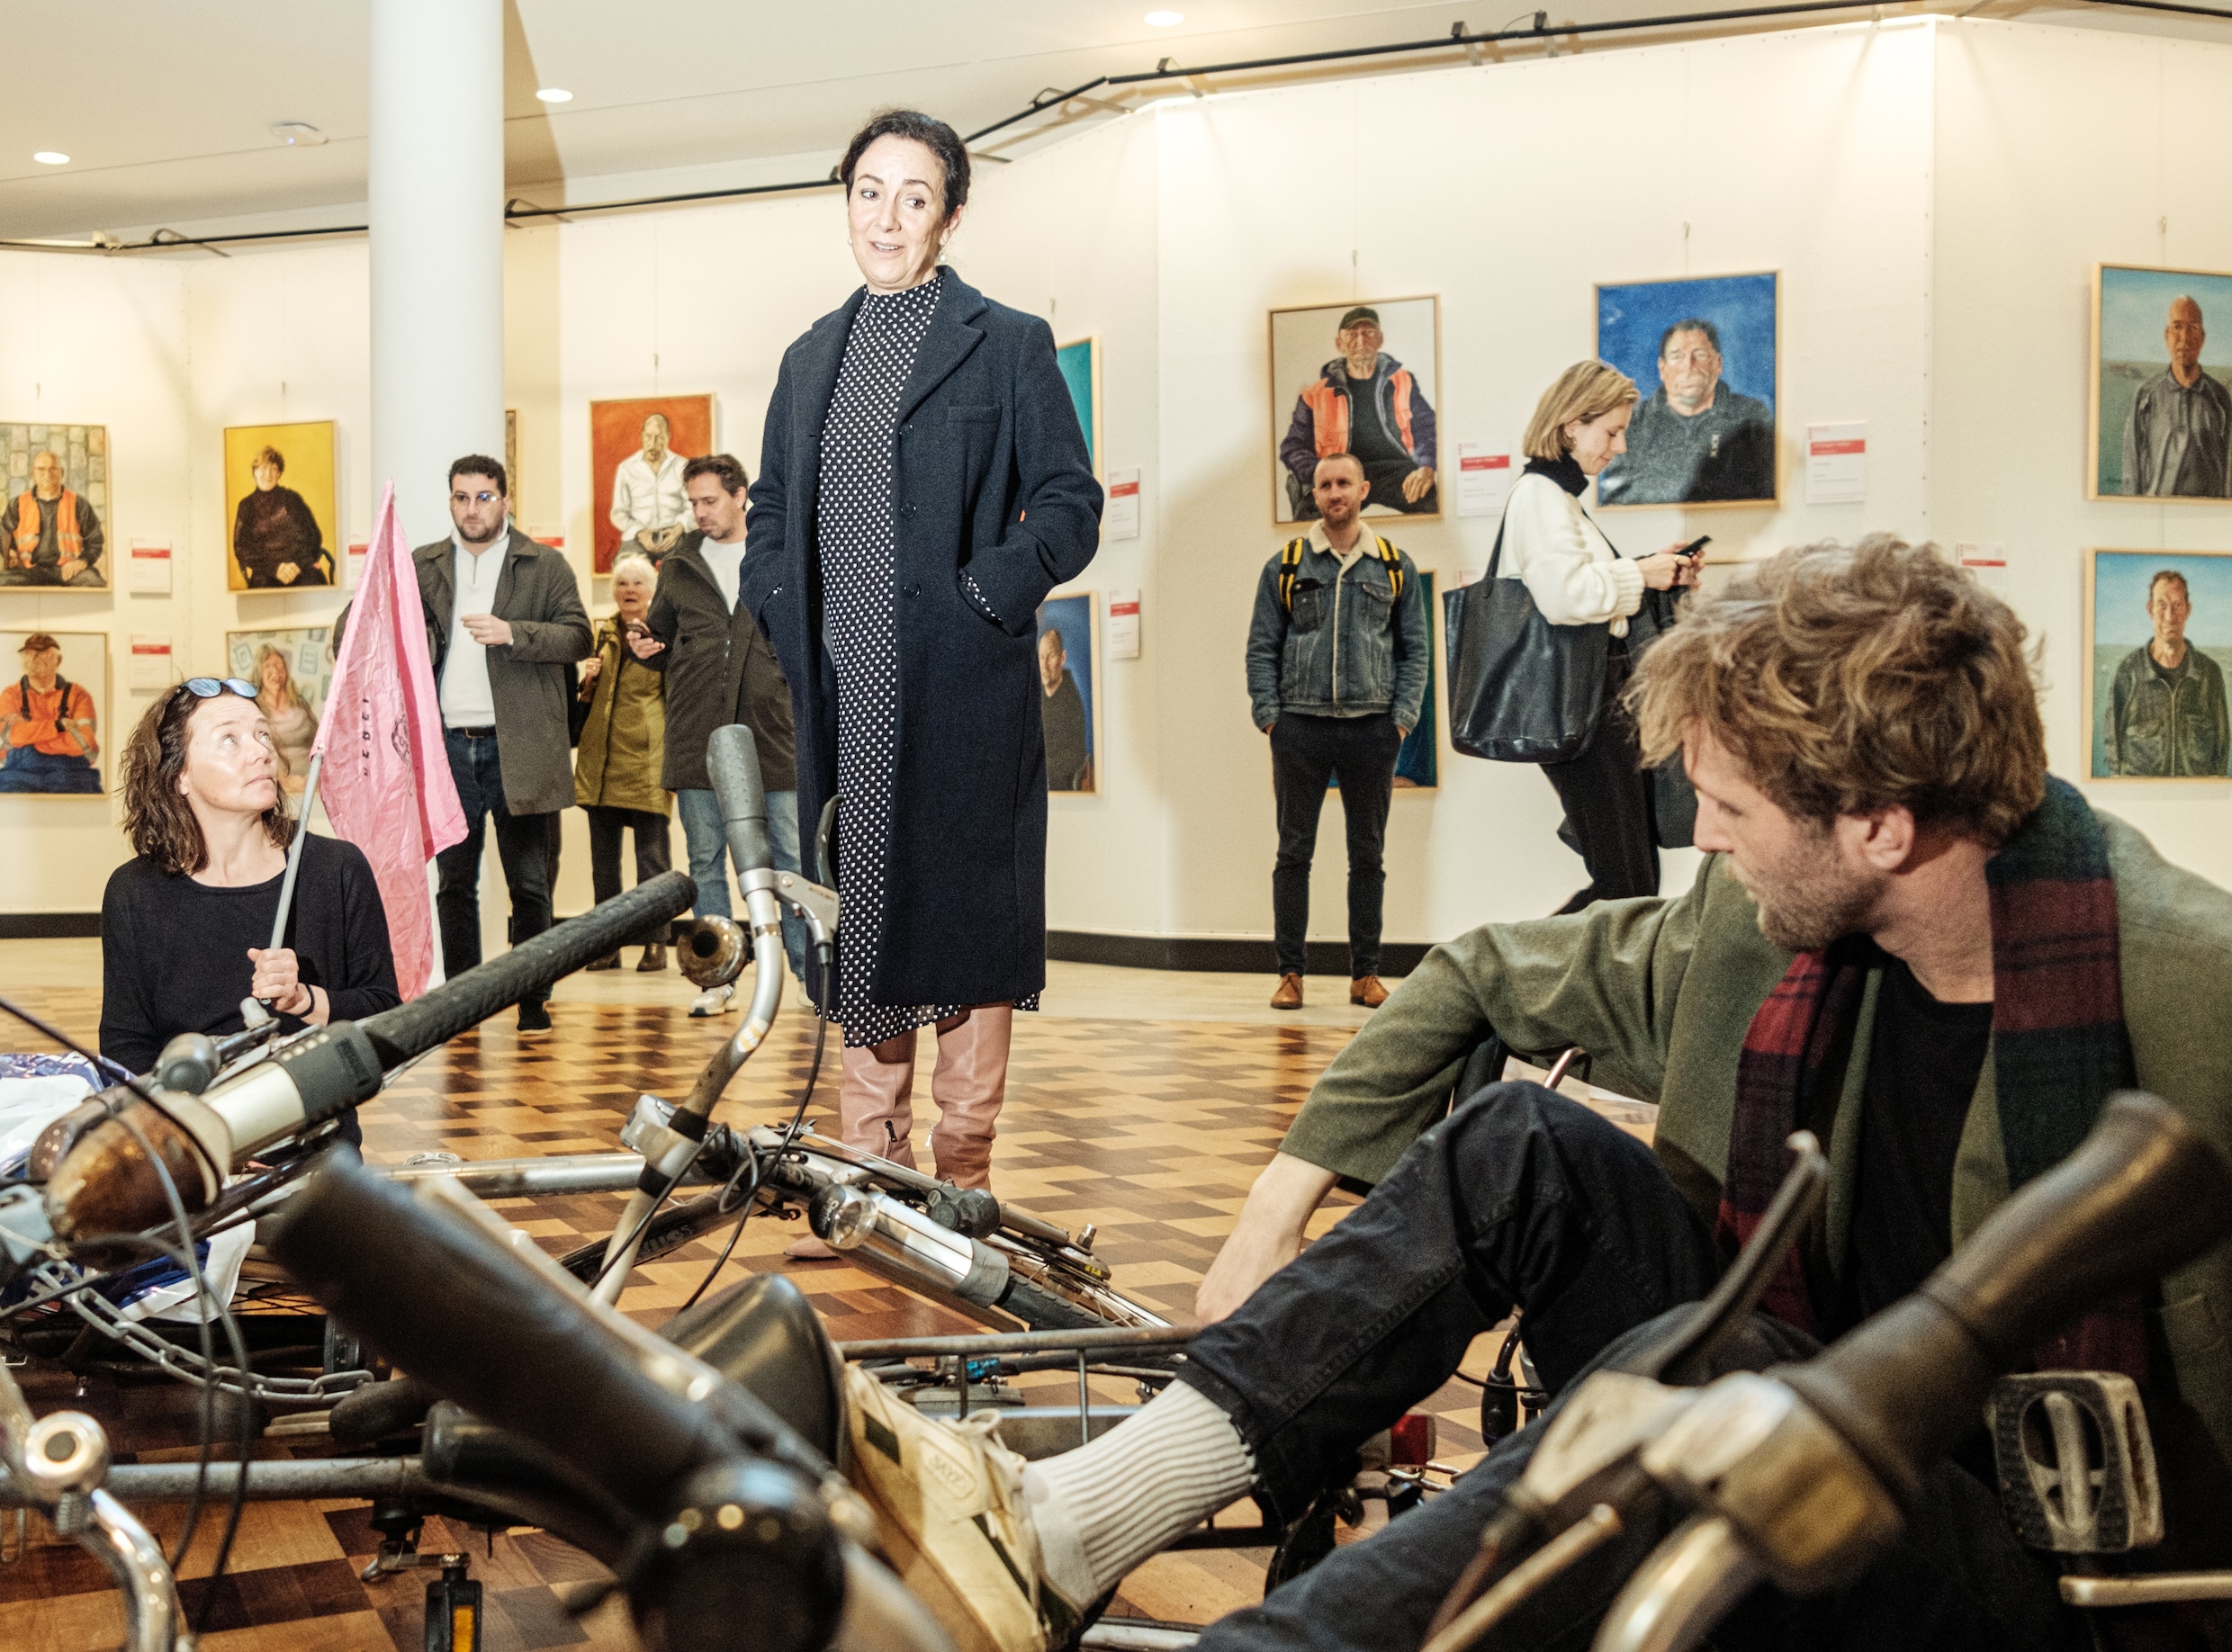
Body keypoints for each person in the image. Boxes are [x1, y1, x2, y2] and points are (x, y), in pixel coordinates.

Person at [880, 537, 2232, 1652]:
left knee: (1719, 1384)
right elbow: (1478, 972)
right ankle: (1061, 1528)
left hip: (2053, 1574)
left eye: (1730, 812)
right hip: (1807, 1413)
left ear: (1879, 827)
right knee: (1523, 1145)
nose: (1703, 839)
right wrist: (1272, 1207)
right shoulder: (1758, 929)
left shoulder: (2191, 995)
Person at [742, 108, 1101, 1214]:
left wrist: (983, 596)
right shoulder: (809, 357)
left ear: (949, 215)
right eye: (868, 192)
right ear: (845, 202)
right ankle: (868, 1173)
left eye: (913, 196)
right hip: (842, 698)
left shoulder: (1008, 342)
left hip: (961, 696)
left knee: (967, 926)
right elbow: (769, 511)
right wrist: (780, 606)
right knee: (860, 924)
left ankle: (963, 1178)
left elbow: (1069, 501)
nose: (886, 217)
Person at [342, 456, 590, 1034]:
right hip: (445, 752)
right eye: (461, 497)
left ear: (506, 500)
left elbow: (578, 636)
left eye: (484, 497)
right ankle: (462, 1005)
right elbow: (366, 615)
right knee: (455, 886)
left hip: (521, 749)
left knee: (531, 885)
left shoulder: (544, 564)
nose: (472, 509)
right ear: (450, 501)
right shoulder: (423, 564)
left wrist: (513, 633)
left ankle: (533, 999)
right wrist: (349, 640)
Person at [101, 678, 397, 1149]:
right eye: (229, 740)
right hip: (194, 1147)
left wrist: (305, 1000)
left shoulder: (335, 869)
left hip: (314, 1147)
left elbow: (386, 1022)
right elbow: (125, 1049)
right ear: (179, 776)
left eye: (262, 735)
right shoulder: (135, 892)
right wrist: (202, 1144)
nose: (261, 752)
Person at [1501, 361, 1697, 911]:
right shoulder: (1540, 495)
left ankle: (1526, 965)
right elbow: (1566, 598)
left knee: (1629, 878)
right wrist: (1641, 573)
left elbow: (1584, 584)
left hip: (1591, 700)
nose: (1621, 446)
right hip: (1580, 702)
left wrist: (1654, 569)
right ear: (1571, 426)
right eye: (1611, 431)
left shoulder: (1558, 497)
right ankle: (1508, 966)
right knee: (1625, 883)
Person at [1246, 453, 1426, 1011]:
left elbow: (1415, 651)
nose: (1334, 492)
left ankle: (1365, 975)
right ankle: (1290, 974)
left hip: (1372, 729)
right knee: (1293, 854)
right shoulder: (1286, 564)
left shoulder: (1394, 565)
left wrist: (1401, 720)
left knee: (1367, 856)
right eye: (1324, 484)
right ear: (1315, 493)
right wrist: (1271, 718)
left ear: (1363, 489)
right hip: (1299, 728)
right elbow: (1261, 648)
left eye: (1343, 482)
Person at [632, 453, 809, 1017]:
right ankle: (716, 978)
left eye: (710, 501)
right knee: (705, 859)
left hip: (773, 732)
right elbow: (660, 639)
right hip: (696, 734)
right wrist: (645, 647)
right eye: (693, 503)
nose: (700, 512)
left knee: (790, 858)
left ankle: (807, 976)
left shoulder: (779, 553)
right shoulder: (680, 563)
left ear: (740, 496)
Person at [574, 552, 673, 973]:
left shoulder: (663, 634)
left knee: (652, 863)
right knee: (603, 865)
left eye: (637, 583)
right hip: (601, 760)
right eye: (621, 583)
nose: (629, 590)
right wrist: (588, 680)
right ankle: (607, 945)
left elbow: (674, 698)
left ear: (652, 591)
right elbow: (591, 698)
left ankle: (656, 942)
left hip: (646, 759)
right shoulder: (603, 632)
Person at [1277, 307, 1437, 518]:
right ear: (1339, 344)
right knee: (1308, 520)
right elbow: (1293, 446)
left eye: (1369, 332)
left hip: (1397, 472)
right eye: (1352, 334)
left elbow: (1427, 428)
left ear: (1380, 339)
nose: (1361, 341)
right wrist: (1320, 474)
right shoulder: (1314, 395)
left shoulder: (1403, 381)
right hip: (1341, 477)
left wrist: (1426, 466)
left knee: (1431, 505)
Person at [1597, 318, 1776, 505]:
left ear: (1718, 364)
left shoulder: (1751, 417)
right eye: (1676, 356)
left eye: (1700, 354)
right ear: (1662, 369)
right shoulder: (1632, 422)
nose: (1688, 367)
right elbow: (1614, 501)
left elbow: (1766, 495)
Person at [2106, 568, 2229, 776]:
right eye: (2161, 605)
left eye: (2177, 605)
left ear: (2188, 609)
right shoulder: (2128, 672)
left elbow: (2222, 750)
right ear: (2150, 609)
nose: (2169, 616)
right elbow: (2113, 751)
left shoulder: (2210, 674)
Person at [2121, 295, 2232, 498]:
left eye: (2192, 328)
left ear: (2202, 338)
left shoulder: (2221, 399)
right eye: (2177, 327)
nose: (2184, 337)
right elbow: (2132, 471)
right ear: (2167, 336)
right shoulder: (2145, 396)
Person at [0, 633, 100, 794]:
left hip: (71, 775)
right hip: (18, 776)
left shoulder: (78, 695)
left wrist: (29, 736)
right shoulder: (10, 695)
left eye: (41, 654)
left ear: (58, 660)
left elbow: (84, 742)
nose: (33, 659)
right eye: (28, 654)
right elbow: (12, 736)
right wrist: (59, 726)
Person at [231, 444, 333, 588]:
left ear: (279, 474)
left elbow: (314, 537)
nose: (268, 475)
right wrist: (275, 569)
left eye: (273, 469)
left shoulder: (292, 499)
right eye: (263, 468)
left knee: (316, 584)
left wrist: (297, 565)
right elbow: (241, 548)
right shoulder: (246, 506)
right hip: (266, 572)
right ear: (254, 471)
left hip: (301, 568)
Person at [1, 449, 104, 587]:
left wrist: (82, 561)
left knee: (94, 583)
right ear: (32, 473)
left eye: (53, 469)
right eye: (41, 469)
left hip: (67, 570)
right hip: (27, 571)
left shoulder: (79, 504)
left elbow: (95, 542)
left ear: (62, 473)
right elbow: (3, 533)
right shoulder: (18, 504)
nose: (47, 474)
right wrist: (11, 553)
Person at [610, 413, 690, 559]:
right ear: (642, 437)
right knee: (627, 568)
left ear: (668, 437)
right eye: (648, 437)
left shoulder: (682, 466)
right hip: (638, 537)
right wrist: (640, 533)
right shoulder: (626, 468)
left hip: (675, 536)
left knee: (683, 568)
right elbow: (618, 512)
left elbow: (693, 507)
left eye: (659, 437)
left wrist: (679, 528)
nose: (653, 444)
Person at [252, 642, 319, 792]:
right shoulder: (255, 708)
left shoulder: (299, 702)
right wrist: (284, 780)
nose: (275, 671)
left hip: (313, 777)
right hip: (276, 782)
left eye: (279, 665)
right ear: (259, 674)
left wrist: (316, 775)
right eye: (268, 666)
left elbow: (319, 740)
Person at [1038, 626, 1090, 792]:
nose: (1044, 665)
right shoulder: (1034, 695)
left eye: (1051, 656)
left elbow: (1073, 759)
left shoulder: (1071, 702)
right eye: (1041, 657)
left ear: (1062, 658)